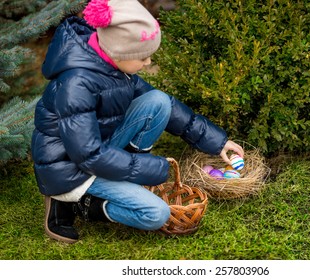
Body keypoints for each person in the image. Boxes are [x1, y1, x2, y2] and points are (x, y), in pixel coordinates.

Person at [31, 0, 244, 244]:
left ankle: (125, 177)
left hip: (101, 149)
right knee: (156, 214)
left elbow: (169, 108)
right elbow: (88, 155)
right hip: (72, 167)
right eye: (143, 57)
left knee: (159, 101)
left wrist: (217, 142)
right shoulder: (76, 85)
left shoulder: (112, 62)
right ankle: (81, 205)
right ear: (119, 52)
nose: (148, 64)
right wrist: (152, 169)